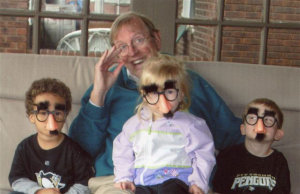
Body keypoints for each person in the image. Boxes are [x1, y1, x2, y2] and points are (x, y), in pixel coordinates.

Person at [68, 11, 243, 193]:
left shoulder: (188, 81)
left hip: (183, 183)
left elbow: (231, 134)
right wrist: (99, 92)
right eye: (123, 47)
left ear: (156, 39)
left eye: (138, 40)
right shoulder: (107, 86)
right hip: (120, 181)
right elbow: (81, 149)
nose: (133, 52)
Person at [112, 55, 216, 194]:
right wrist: (124, 177)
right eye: (154, 93)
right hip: (143, 183)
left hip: (176, 182)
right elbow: (121, 151)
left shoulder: (191, 125)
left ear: (181, 94)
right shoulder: (134, 124)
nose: (163, 100)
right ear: (144, 95)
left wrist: (198, 182)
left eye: (169, 92)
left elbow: (204, 155)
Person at [8, 78, 94, 194]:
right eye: (43, 113)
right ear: (32, 117)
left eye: (57, 113)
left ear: (65, 115)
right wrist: (38, 191)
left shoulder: (74, 151)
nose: (51, 120)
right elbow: (17, 179)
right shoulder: (24, 148)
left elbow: (84, 183)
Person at [212, 98, 291, 193]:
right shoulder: (228, 156)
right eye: (252, 118)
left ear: (278, 134)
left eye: (269, 120)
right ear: (243, 129)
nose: (260, 124)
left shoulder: (278, 161)